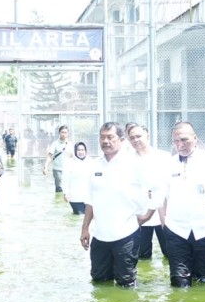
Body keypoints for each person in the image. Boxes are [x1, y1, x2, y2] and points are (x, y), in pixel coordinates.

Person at [79, 123, 154, 287]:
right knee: (99, 281)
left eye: (110, 137)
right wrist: (85, 229)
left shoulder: (134, 163)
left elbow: (156, 188)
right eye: (102, 137)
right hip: (100, 235)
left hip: (126, 235)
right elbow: (90, 200)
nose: (105, 141)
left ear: (121, 139)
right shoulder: (95, 165)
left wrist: (148, 215)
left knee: (126, 282)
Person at [160, 122, 205, 287]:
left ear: (195, 138)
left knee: (203, 279)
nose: (180, 144)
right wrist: (164, 222)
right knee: (178, 280)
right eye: (176, 141)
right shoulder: (169, 163)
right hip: (176, 229)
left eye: (184, 139)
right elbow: (162, 197)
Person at [126, 124, 171, 259]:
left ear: (148, 136)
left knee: (170, 253)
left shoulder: (164, 157)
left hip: (162, 212)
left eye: (139, 136)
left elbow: (167, 186)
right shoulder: (127, 160)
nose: (136, 140)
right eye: (132, 138)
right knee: (141, 256)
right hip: (139, 214)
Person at [63, 142, 92, 215]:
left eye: (83, 150)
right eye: (78, 150)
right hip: (75, 198)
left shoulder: (91, 161)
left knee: (89, 218)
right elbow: (65, 180)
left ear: (85, 151)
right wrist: (65, 193)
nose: (81, 152)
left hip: (89, 198)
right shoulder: (70, 162)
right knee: (79, 217)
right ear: (75, 151)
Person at [43, 125, 72, 192]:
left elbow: (73, 157)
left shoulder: (70, 144)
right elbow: (50, 155)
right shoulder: (55, 143)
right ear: (59, 133)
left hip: (68, 170)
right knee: (59, 188)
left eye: (65, 132)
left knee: (68, 188)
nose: (64, 134)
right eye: (62, 132)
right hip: (57, 169)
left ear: (68, 133)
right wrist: (46, 167)